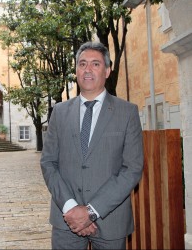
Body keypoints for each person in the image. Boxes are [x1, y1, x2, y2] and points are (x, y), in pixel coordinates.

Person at [40, 41, 144, 249]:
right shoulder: (59, 112)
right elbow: (49, 163)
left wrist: (91, 211)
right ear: (76, 70)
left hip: (110, 219)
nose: (87, 69)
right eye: (82, 63)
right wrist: (71, 208)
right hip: (65, 219)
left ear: (107, 71)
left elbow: (132, 169)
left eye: (95, 64)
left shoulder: (127, 112)